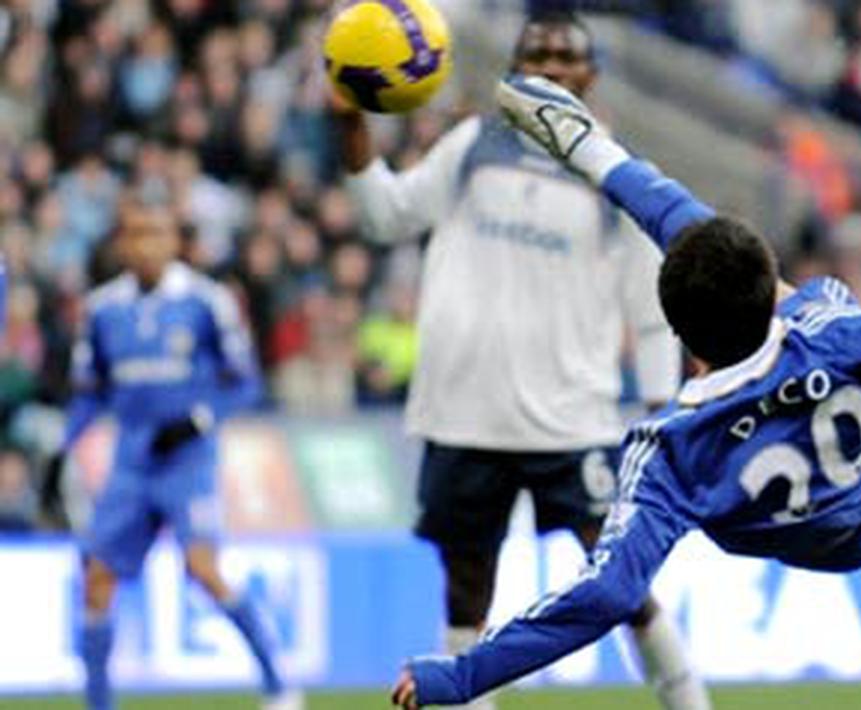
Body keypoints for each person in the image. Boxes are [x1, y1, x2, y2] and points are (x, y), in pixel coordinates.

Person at [386, 75, 861, 708]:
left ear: (680, 337)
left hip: (806, 537)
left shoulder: (665, 455)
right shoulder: (831, 331)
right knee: (827, 300)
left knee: (755, 290)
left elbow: (607, 594)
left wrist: (462, 676)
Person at [330, 11, 708, 710]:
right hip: (462, 413)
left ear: (589, 77)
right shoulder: (471, 144)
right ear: (515, 68)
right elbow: (384, 215)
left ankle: (687, 700)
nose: (553, 68)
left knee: (623, 584)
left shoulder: (617, 176)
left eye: (567, 58)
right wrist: (349, 123)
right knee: (466, 592)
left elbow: (651, 313)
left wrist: (663, 416)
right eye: (538, 56)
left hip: (572, 419)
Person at [46, 199, 300, 710]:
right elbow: (90, 390)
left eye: (157, 233)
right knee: (96, 577)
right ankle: (98, 704)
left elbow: (247, 382)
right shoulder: (101, 309)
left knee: (203, 568)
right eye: (137, 234)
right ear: (122, 243)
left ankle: (278, 685)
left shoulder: (206, 301)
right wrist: (63, 446)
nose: (147, 244)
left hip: (188, 460)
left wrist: (198, 420)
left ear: (174, 240)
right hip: (131, 461)